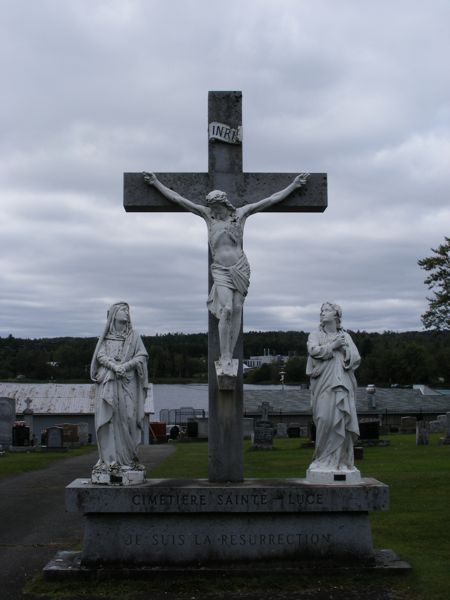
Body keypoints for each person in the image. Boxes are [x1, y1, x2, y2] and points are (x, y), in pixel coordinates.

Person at [143, 172, 309, 370]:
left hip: (240, 267)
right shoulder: (208, 216)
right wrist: (156, 183)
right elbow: (179, 199)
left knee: (237, 309)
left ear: (224, 204)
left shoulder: (241, 214)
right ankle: (225, 355)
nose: (215, 211)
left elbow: (271, 200)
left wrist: (294, 186)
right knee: (227, 310)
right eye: (213, 207)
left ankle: (231, 351)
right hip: (220, 270)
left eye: (218, 207)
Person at [90, 302, 148, 476]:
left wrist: (126, 365)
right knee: (110, 420)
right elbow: (100, 356)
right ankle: (111, 461)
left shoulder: (134, 337)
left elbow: (142, 355)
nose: (126, 313)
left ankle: (129, 459)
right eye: (123, 310)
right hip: (110, 382)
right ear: (114, 314)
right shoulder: (106, 338)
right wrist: (115, 367)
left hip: (128, 384)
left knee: (130, 417)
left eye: (127, 310)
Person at [306, 302, 360, 473]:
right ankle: (322, 459)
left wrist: (345, 351)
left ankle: (341, 461)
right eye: (321, 311)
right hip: (323, 382)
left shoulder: (345, 336)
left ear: (336, 315)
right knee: (324, 418)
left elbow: (356, 358)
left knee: (342, 420)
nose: (322, 313)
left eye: (327, 310)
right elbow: (313, 351)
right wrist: (333, 346)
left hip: (342, 383)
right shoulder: (315, 335)